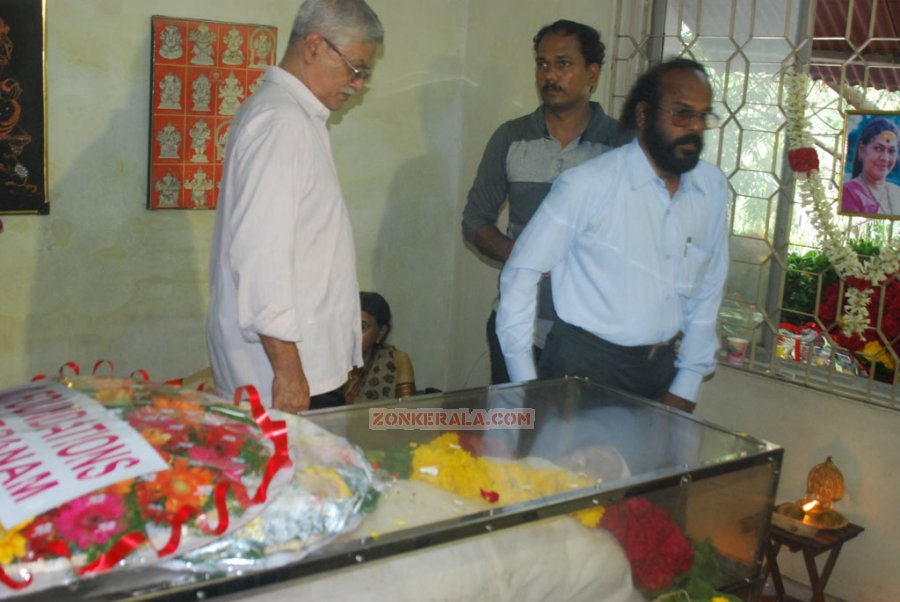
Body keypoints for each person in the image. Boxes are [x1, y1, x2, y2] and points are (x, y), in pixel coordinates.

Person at [496, 58, 730, 413]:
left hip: (661, 371)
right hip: (584, 371)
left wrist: (687, 383)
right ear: (643, 116)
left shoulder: (711, 188)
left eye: (703, 116)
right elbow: (520, 272)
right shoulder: (589, 185)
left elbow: (710, 283)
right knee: (566, 471)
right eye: (682, 114)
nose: (695, 128)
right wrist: (524, 387)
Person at [207, 0, 383, 413]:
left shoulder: (292, 117)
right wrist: (287, 371)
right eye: (356, 68)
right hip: (282, 375)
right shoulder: (281, 124)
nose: (358, 84)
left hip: (293, 367)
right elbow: (260, 256)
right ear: (315, 46)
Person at [462, 20, 628, 385]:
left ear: (592, 73)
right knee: (514, 436)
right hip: (518, 324)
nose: (549, 74)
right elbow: (475, 220)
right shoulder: (511, 138)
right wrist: (521, 254)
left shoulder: (621, 146)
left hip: (592, 335)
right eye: (542, 64)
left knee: (580, 442)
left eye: (563, 64)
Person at [343, 292, 416, 402]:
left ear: (381, 332)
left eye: (362, 327)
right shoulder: (332, 361)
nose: (353, 333)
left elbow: (407, 412)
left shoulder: (397, 361)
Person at [841, 117, 900, 216]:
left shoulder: (896, 192)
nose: (885, 158)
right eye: (878, 148)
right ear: (861, 150)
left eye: (891, 151)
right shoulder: (848, 193)